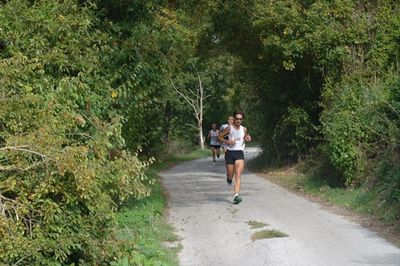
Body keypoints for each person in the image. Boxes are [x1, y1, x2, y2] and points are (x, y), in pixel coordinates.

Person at [218, 111, 251, 204]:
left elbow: (244, 137)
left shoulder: (244, 129)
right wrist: (227, 142)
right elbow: (219, 137)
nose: (238, 120)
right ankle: (228, 178)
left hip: (239, 153)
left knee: (238, 174)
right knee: (230, 174)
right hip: (230, 153)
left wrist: (247, 138)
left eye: (240, 119)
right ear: (234, 119)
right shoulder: (229, 128)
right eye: (236, 119)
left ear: (242, 120)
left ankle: (236, 195)